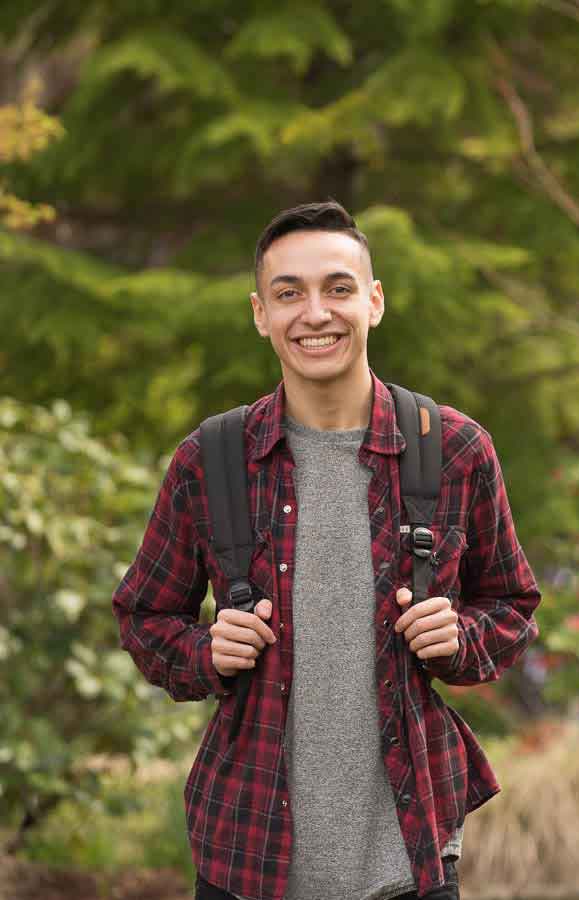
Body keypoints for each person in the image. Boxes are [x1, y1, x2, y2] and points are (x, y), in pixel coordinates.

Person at [112, 201, 541, 900]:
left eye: (338, 288)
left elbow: (515, 606)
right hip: (245, 857)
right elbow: (143, 618)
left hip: (408, 863)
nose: (316, 313)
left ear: (373, 302)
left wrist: (459, 638)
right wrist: (204, 653)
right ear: (261, 314)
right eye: (289, 293)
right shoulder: (211, 460)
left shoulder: (455, 448)